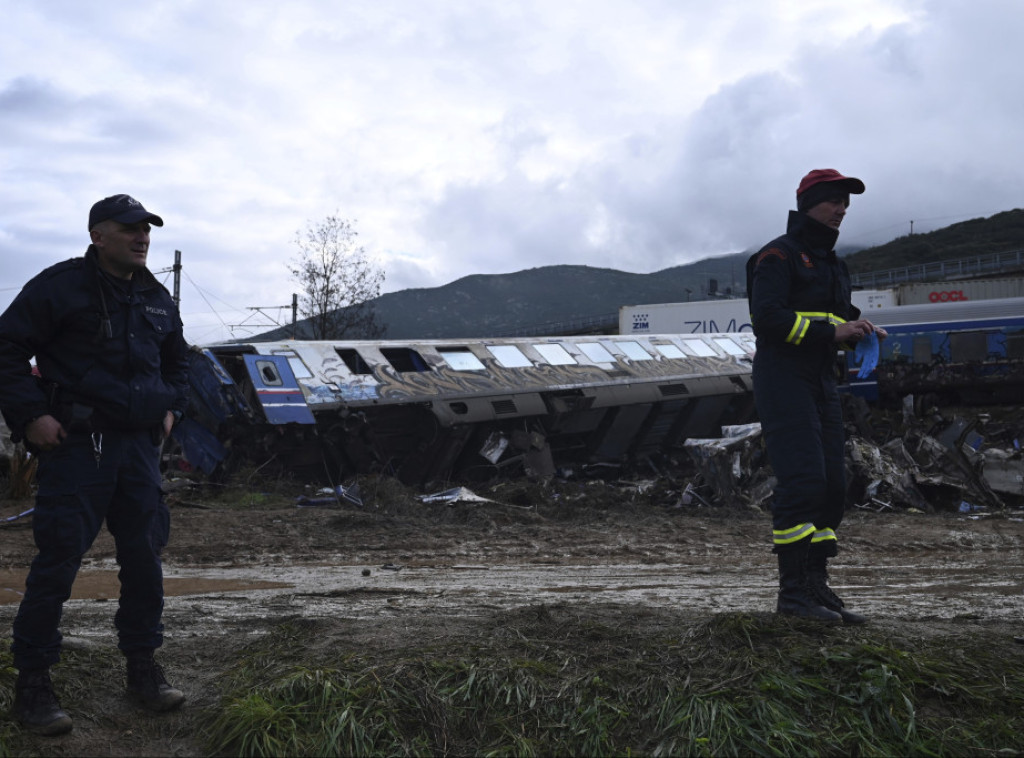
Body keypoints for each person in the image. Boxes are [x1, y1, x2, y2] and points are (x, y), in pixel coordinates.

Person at [0, 194, 190, 735]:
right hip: (79, 448)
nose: (142, 237)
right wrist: (31, 416)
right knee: (58, 564)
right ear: (97, 236)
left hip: (139, 451)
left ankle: (143, 669)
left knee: (144, 563)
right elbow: (6, 349)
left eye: (146, 229)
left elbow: (179, 362)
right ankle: (33, 684)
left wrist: (172, 410)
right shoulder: (60, 287)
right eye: (129, 229)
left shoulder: (156, 297)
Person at [745, 169, 886, 624]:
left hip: (822, 379)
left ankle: (815, 587)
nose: (842, 210)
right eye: (834, 201)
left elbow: (836, 323)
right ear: (809, 203)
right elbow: (768, 319)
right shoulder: (777, 255)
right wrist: (833, 332)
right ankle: (793, 596)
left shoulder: (833, 264)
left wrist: (860, 332)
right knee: (803, 481)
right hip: (783, 377)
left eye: (846, 203)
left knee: (831, 487)